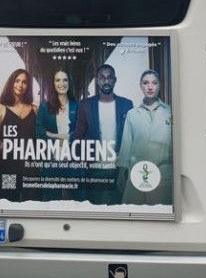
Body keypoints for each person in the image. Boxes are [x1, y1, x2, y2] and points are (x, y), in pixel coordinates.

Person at [72, 63, 133, 204]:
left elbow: (131, 138)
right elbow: (77, 137)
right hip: (95, 169)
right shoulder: (85, 105)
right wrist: (81, 164)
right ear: (97, 80)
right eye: (102, 77)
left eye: (110, 77)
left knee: (117, 208)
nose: (106, 81)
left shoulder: (126, 105)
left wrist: (125, 168)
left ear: (115, 80)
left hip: (119, 169)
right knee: (96, 208)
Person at [116, 69, 173, 205]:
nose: (150, 87)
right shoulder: (132, 114)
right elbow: (126, 146)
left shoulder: (170, 112)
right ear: (140, 86)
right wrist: (121, 173)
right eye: (146, 83)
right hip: (137, 172)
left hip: (163, 173)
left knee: (159, 211)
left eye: (154, 83)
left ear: (159, 85)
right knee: (135, 211)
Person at [0, 68, 38, 201]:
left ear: (28, 86)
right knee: (8, 203)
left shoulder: (34, 109)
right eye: (17, 81)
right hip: (8, 169)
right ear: (11, 83)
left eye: (24, 82)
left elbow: (38, 140)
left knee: (32, 204)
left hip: (30, 170)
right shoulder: (0, 108)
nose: (20, 85)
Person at [36, 70, 79, 199]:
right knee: (51, 201)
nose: (62, 83)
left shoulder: (78, 106)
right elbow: (39, 134)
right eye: (58, 80)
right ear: (53, 83)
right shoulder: (44, 107)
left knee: (75, 202)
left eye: (65, 80)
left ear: (69, 83)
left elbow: (80, 133)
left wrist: (54, 135)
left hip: (73, 163)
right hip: (51, 162)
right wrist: (67, 137)